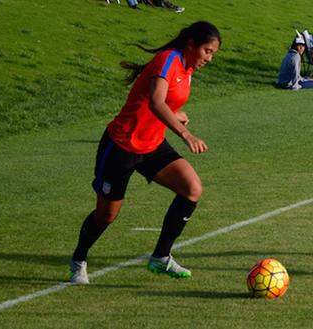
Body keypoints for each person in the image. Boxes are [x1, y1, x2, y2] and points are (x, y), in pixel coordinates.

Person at [68, 21, 221, 284]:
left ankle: (161, 257)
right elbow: (155, 100)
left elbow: (158, 104)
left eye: (212, 54)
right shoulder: (168, 60)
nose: (209, 58)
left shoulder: (187, 68)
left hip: (152, 145)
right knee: (106, 215)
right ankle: (78, 260)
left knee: (192, 188)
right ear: (191, 44)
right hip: (121, 146)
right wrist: (185, 134)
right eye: (207, 51)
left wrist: (174, 115)